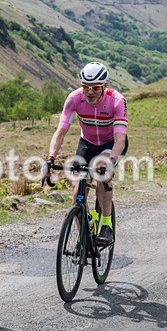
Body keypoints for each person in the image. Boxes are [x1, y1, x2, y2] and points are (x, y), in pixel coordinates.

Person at [45, 62, 128, 245]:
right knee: (77, 192)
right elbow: (60, 132)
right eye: (85, 87)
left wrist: (111, 162)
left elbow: (120, 140)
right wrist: (51, 159)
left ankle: (106, 224)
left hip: (110, 144)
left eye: (95, 88)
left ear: (105, 85)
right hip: (88, 144)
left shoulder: (116, 100)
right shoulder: (74, 98)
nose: (89, 92)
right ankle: (85, 233)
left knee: (101, 173)